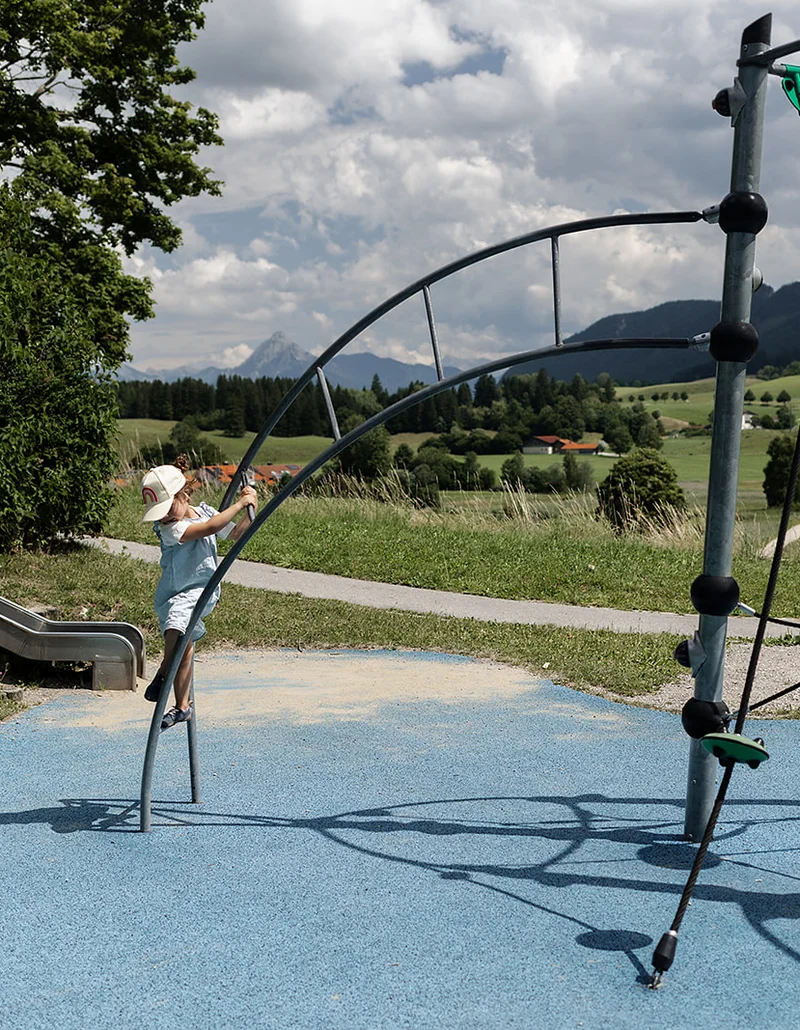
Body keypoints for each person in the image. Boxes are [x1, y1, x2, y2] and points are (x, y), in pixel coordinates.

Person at [140, 456, 258, 730]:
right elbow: (211, 528)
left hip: (199, 591)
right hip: (175, 592)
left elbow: (233, 534)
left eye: (167, 509)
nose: (165, 517)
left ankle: (162, 671)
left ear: (184, 493)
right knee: (184, 649)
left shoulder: (204, 512)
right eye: (160, 514)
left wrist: (250, 505)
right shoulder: (171, 529)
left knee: (178, 628)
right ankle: (182, 706)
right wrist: (239, 504)